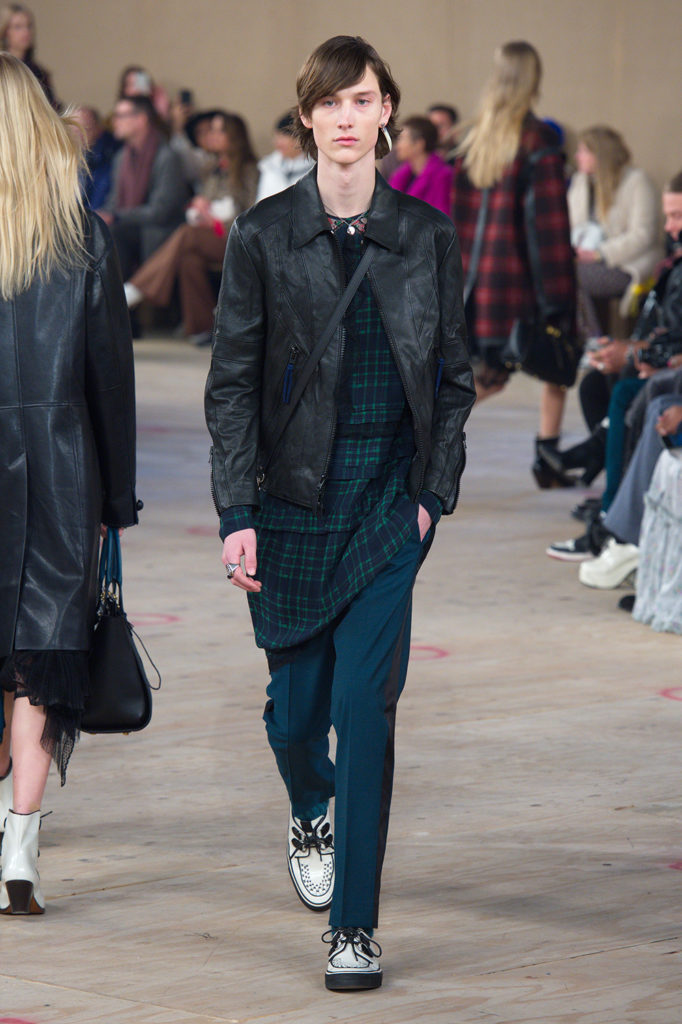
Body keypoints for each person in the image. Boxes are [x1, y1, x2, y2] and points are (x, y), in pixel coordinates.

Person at [205, 35, 474, 990]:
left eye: (363, 99)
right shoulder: (262, 235)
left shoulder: (427, 235)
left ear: (387, 110)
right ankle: (308, 803)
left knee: (365, 708)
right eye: (331, 102)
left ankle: (353, 928)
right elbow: (231, 384)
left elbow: (453, 378)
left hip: (388, 506)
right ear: (308, 116)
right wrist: (235, 508)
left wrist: (431, 499)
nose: (348, 117)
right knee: (295, 720)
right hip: (290, 503)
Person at [0, 54, 139, 915]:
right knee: (41, 662)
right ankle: (19, 849)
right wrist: (115, 500)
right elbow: (110, 379)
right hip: (60, 471)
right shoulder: (83, 237)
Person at [450, 41, 576, 488]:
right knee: (558, 357)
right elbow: (548, 227)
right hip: (522, 283)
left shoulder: (474, 139)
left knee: (491, 376)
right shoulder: (538, 141)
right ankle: (547, 456)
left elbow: (459, 221)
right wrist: (559, 298)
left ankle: (416, 441)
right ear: (534, 78)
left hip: (479, 283)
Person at [124, 111, 258, 345]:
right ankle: (201, 328)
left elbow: (252, 214)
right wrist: (200, 209)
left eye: (219, 130)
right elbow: (204, 204)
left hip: (234, 237)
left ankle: (136, 289)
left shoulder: (249, 169)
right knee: (188, 259)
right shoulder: (212, 168)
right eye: (211, 130)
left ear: (234, 136)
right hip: (210, 233)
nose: (212, 135)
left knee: (187, 234)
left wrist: (216, 219)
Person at [568, 126, 661, 340]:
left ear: (600, 154)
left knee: (576, 277)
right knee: (561, 271)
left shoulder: (638, 181)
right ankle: (587, 340)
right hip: (589, 260)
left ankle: (595, 342)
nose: (577, 156)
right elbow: (572, 224)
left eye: (583, 151)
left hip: (628, 263)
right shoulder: (580, 182)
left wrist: (599, 253)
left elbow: (644, 235)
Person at [98, 94, 187, 282]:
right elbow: (114, 201)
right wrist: (103, 216)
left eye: (120, 116)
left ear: (141, 119)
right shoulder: (121, 158)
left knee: (142, 232)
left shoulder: (166, 157)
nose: (114, 121)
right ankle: (109, 295)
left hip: (161, 227)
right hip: (133, 225)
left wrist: (117, 216)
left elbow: (161, 210)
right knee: (102, 230)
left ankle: (134, 293)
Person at [389, 115, 453, 216]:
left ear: (419, 144)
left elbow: (442, 215)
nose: (398, 146)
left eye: (402, 139)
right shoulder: (401, 175)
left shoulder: (442, 176)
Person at [0, 2, 57, 107]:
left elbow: (51, 106)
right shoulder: (2, 68)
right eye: (18, 27)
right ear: (5, 31)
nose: (26, 32)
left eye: (29, 26)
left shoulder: (38, 72)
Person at [256, 112, 314, 202]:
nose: (278, 143)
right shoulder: (269, 167)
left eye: (284, 137)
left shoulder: (315, 168)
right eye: (277, 137)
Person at [72, 105, 120, 210]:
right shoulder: (70, 158)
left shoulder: (111, 155)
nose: (79, 135)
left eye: (85, 129)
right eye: (74, 130)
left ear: (98, 128)